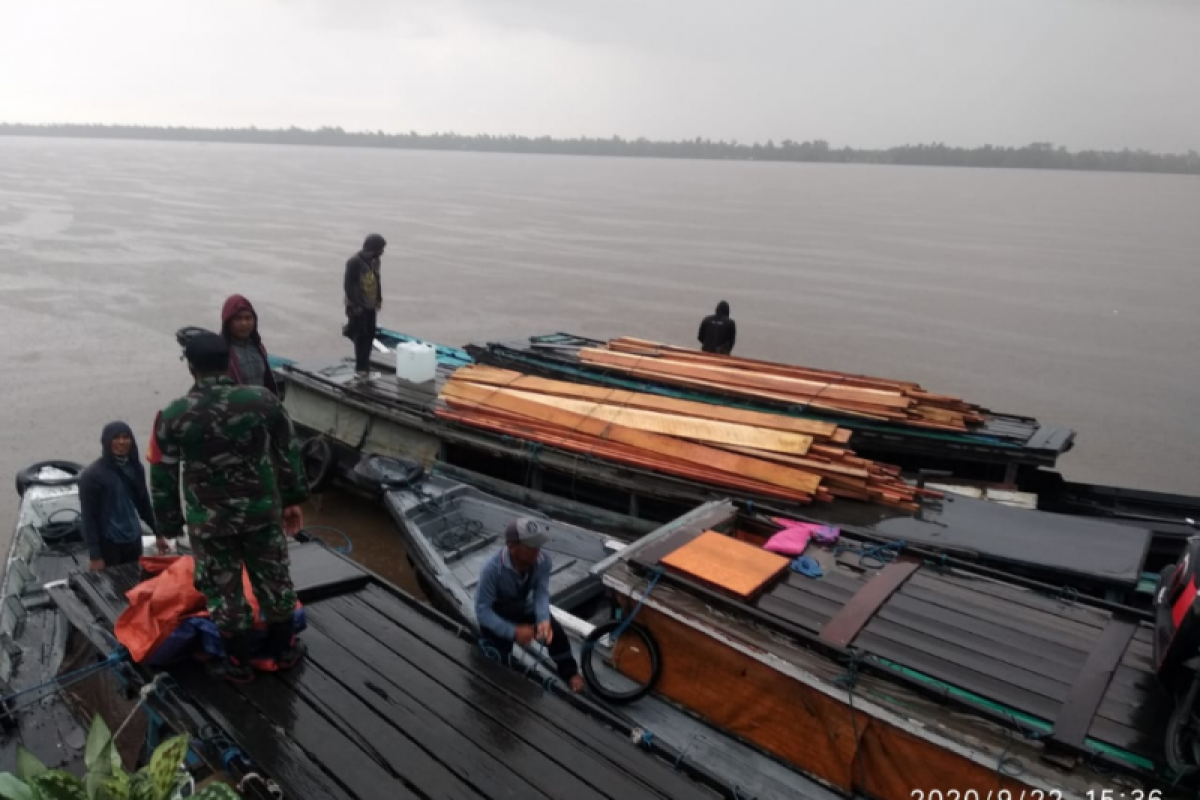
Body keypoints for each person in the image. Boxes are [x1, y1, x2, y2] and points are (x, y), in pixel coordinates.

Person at [151, 333, 309, 683]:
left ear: (191, 367)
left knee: (224, 591)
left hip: (209, 521)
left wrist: (169, 524)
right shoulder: (263, 401)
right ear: (228, 361)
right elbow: (288, 451)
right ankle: (284, 652)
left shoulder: (173, 416)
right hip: (261, 512)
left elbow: (162, 472)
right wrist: (293, 498)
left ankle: (237, 665)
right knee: (274, 580)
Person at [474, 517, 584, 692]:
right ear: (512, 547)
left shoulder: (543, 561)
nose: (537, 550)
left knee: (556, 633)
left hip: (522, 604)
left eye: (538, 545)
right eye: (531, 546)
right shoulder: (491, 569)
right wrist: (514, 632)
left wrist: (543, 620)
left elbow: (541, 593)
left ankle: (569, 672)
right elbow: (482, 611)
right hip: (498, 609)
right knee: (497, 657)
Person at [79, 422, 164, 571]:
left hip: (133, 539)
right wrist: (95, 556)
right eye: (116, 438)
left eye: (126, 437)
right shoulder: (92, 476)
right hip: (109, 542)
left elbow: (143, 504)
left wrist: (158, 533)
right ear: (106, 442)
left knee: (134, 582)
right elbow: (88, 518)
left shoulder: (136, 468)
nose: (121, 442)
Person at [343, 233, 386, 378]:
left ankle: (365, 366)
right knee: (360, 336)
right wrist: (354, 305)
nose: (383, 252)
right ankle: (360, 368)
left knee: (370, 335)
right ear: (373, 248)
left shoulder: (376, 261)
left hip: (370, 305)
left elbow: (377, 280)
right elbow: (348, 285)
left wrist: (378, 298)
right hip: (358, 307)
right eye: (381, 248)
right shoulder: (354, 262)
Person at [221, 294, 280, 395]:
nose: (244, 323)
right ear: (227, 322)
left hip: (261, 405)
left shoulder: (259, 348)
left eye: (248, 318)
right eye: (238, 319)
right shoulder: (220, 351)